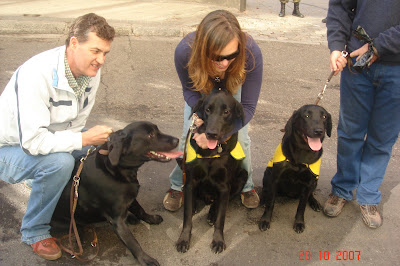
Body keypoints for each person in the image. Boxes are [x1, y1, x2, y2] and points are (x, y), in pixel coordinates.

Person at [0, 13, 115, 260]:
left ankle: (74, 209)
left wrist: (86, 143)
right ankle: (35, 231)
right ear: (74, 43)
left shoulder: (89, 72)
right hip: (9, 147)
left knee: (97, 148)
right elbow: (33, 142)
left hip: (49, 137)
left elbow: (76, 126)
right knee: (60, 163)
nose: (101, 60)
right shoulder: (36, 74)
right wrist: (83, 140)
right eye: (95, 51)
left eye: (105, 53)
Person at [163, 10, 263, 212]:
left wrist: (221, 135)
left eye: (231, 56)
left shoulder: (251, 52)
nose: (225, 63)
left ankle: (246, 185)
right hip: (202, 88)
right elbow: (189, 91)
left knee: (241, 139)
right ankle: (178, 184)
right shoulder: (185, 51)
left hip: (233, 87)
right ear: (203, 49)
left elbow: (248, 107)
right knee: (187, 135)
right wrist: (200, 122)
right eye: (218, 57)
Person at [323, 0, 400, 228]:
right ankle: (343, 188)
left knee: (382, 138)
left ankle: (368, 194)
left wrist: (378, 46)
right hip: (357, 60)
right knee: (350, 131)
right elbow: (340, 6)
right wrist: (337, 45)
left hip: (397, 67)